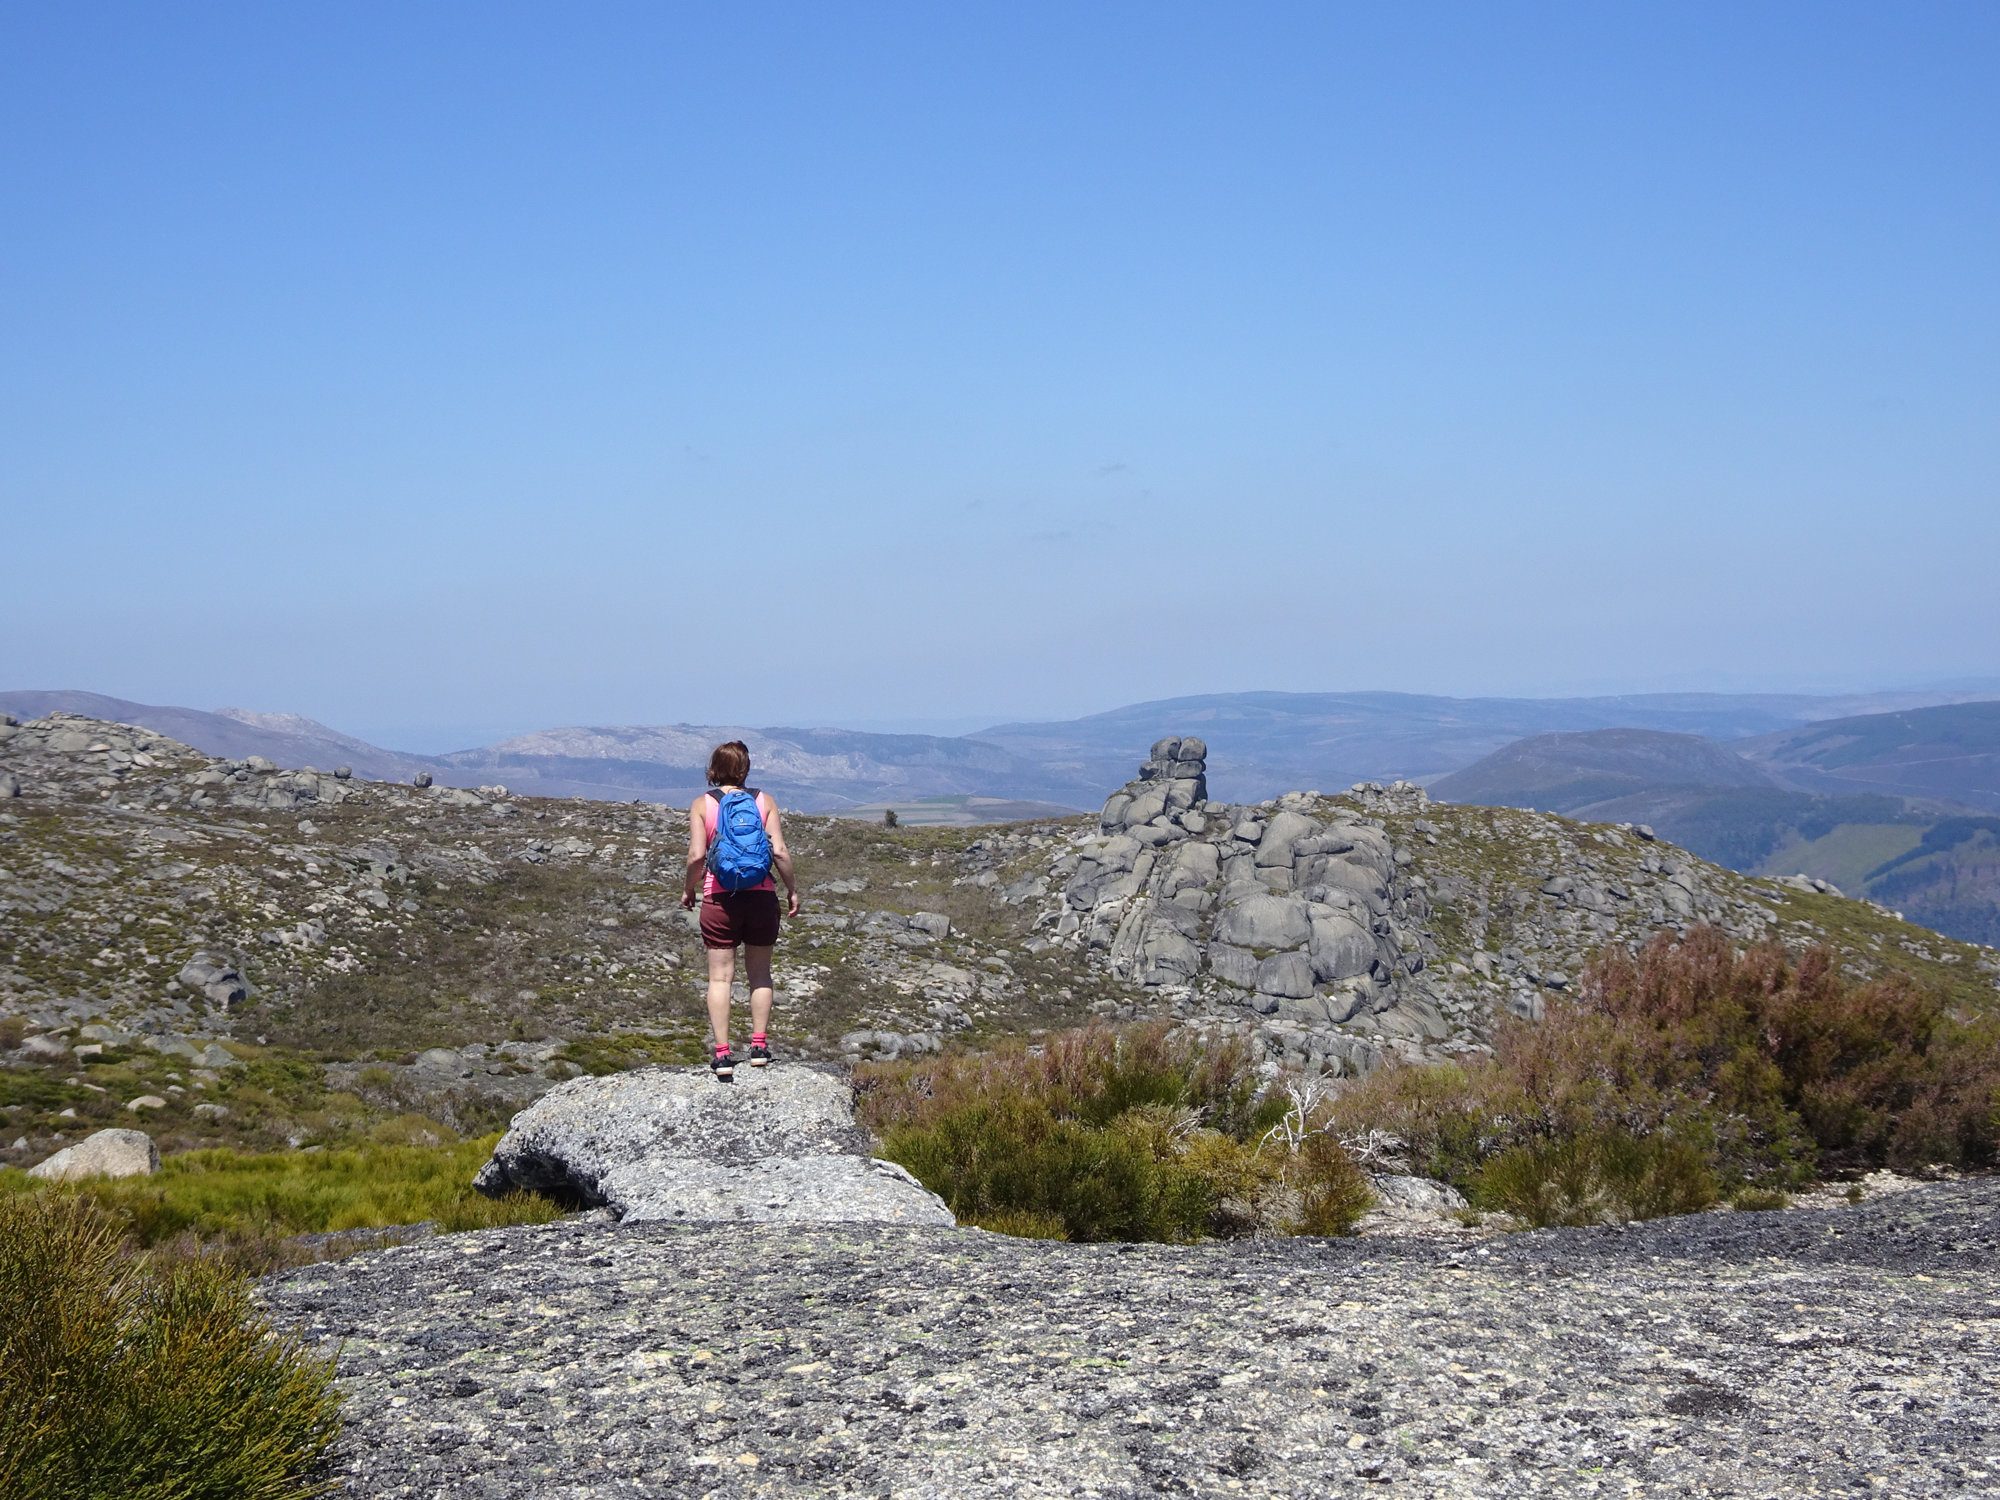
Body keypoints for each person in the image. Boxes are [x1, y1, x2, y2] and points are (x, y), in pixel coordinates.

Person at [682, 740, 799, 1080]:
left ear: (713, 769)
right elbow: (779, 851)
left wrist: (689, 889)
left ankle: (722, 1055)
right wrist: (792, 890)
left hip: (720, 899)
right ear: (746, 769)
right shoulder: (764, 801)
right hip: (761, 897)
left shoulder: (703, 805)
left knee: (720, 977)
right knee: (760, 974)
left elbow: (696, 857)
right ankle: (759, 1047)